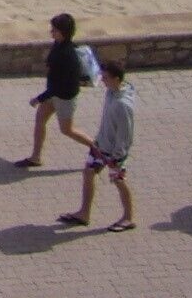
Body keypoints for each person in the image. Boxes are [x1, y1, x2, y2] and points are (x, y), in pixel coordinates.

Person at [59, 60, 137, 230]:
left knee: (119, 180)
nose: (103, 80)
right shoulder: (111, 92)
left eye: (106, 77)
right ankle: (84, 214)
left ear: (117, 79)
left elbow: (125, 133)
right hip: (100, 145)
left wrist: (117, 157)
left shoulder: (122, 105)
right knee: (88, 173)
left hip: (114, 153)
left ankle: (129, 218)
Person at [17, 13, 95, 166]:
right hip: (55, 94)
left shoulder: (67, 55)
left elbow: (58, 85)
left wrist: (38, 98)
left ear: (62, 32)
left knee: (67, 130)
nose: (51, 32)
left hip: (64, 97)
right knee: (40, 120)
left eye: (54, 30)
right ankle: (35, 157)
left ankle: (98, 148)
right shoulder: (60, 45)